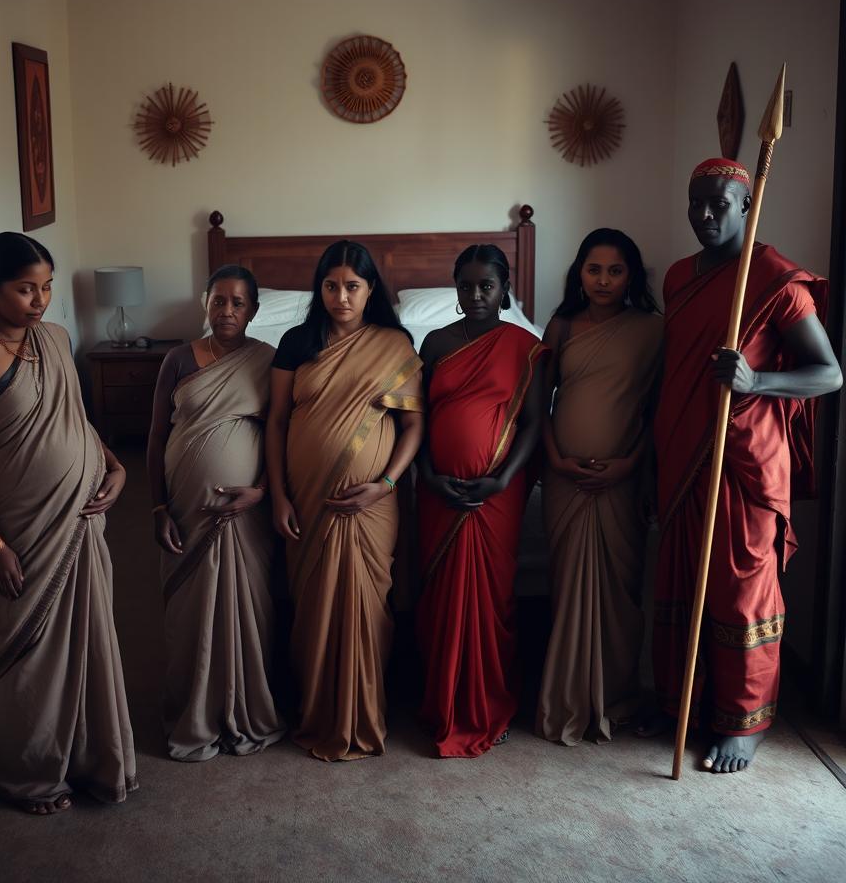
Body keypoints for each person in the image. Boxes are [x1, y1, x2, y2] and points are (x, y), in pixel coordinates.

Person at [642, 157, 841, 772]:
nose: (703, 216)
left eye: (719, 205)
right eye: (695, 203)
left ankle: (745, 723)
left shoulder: (778, 280)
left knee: (743, 587)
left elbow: (828, 373)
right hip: (681, 449)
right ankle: (690, 703)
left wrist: (758, 379)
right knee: (682, 576)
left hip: (744, 458)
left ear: (747, 206)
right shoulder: (679, 276)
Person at [0, 232, 136, 814]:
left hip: (78, 522)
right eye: (26, 289)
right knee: (31, 654)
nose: (40, 300)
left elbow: (76, 420)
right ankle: (24, 774)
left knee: (89, 642)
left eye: (46, 287)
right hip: (19, 528)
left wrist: (117, 468)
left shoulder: (57, 338)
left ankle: (94, 760)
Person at [265, 241, 424, 761]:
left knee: (368, 605)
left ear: (371, 289)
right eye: (330, 285)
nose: (341, 296)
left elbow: (413, 424)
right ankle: (317, 711)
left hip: (374, 503)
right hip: (308, 502)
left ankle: (365, 713)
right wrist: (280, 497)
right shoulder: (295, 342)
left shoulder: (395, 343)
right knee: (312, 606)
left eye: (352, 286)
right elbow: (278, 422)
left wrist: (388, 483)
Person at [146, 265, 286, 761]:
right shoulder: (178, 360)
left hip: (247, 512)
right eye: (219, 301)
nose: (227, 311)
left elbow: (281, 435)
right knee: (189, 610)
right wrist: (159, 506)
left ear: (254, 310)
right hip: (186, 508)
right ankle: (195, 710)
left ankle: (247, 707)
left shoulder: (269, 361)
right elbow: (158, 435)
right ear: (205, 303)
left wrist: (263, 491)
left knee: (250, 606)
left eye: (239, 303)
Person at [416, 244, 546, 758]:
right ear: (454, 287)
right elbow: (418, 419)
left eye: (485, 286)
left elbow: (536, 423)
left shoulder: (524, 344)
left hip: (498, 495)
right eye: (466, 285)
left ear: (504, 288)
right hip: (435, 493)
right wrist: (426, 474)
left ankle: (489, 703)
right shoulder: (433, 343)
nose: (475, 295)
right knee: (440, 601)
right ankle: (440, 704)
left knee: (492, 601)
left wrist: (504, 479)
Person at [534, 229, 663, 746]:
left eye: (615, 270)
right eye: (594, 269)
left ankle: (617, 698)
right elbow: (538, 405)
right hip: (563, 480)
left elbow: (657, 410)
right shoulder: (561, 326)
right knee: (568, 588)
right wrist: (557, 460)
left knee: (620, 593)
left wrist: (630, 463)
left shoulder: (652, 330)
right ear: (579, 274)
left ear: (631, 275)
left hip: (623, 480)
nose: (604, 280)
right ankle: (567, 697)